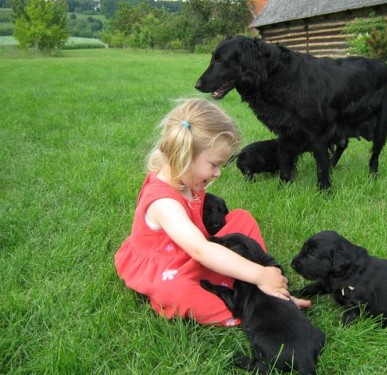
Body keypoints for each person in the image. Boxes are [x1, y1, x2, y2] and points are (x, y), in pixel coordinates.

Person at [115, 98, 310, 326]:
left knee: (241, 219)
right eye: (214, 164)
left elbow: (203, 244)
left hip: (197, 248)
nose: (217, 173)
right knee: (177, 292)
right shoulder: (163, 203)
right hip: (168, 265)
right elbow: (200, 250)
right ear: (184, 157)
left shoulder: (185, 179)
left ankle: (264, 284)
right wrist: (258, 275)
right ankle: (258, 307)